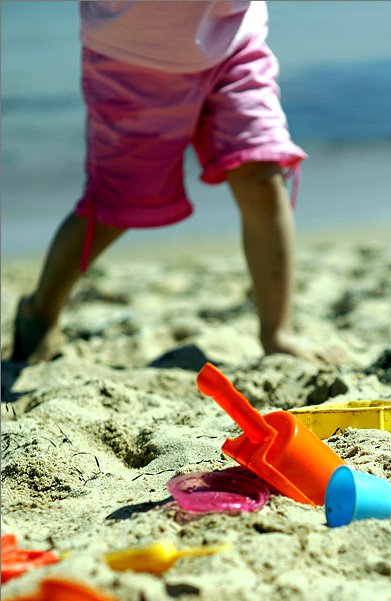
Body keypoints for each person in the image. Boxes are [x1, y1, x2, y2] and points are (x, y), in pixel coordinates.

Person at [10, 0, 308, 363]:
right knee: (116, 206)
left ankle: (277, 333)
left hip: (234, 39)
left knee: (261, 175)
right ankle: (40, 310)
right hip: (130, 55)